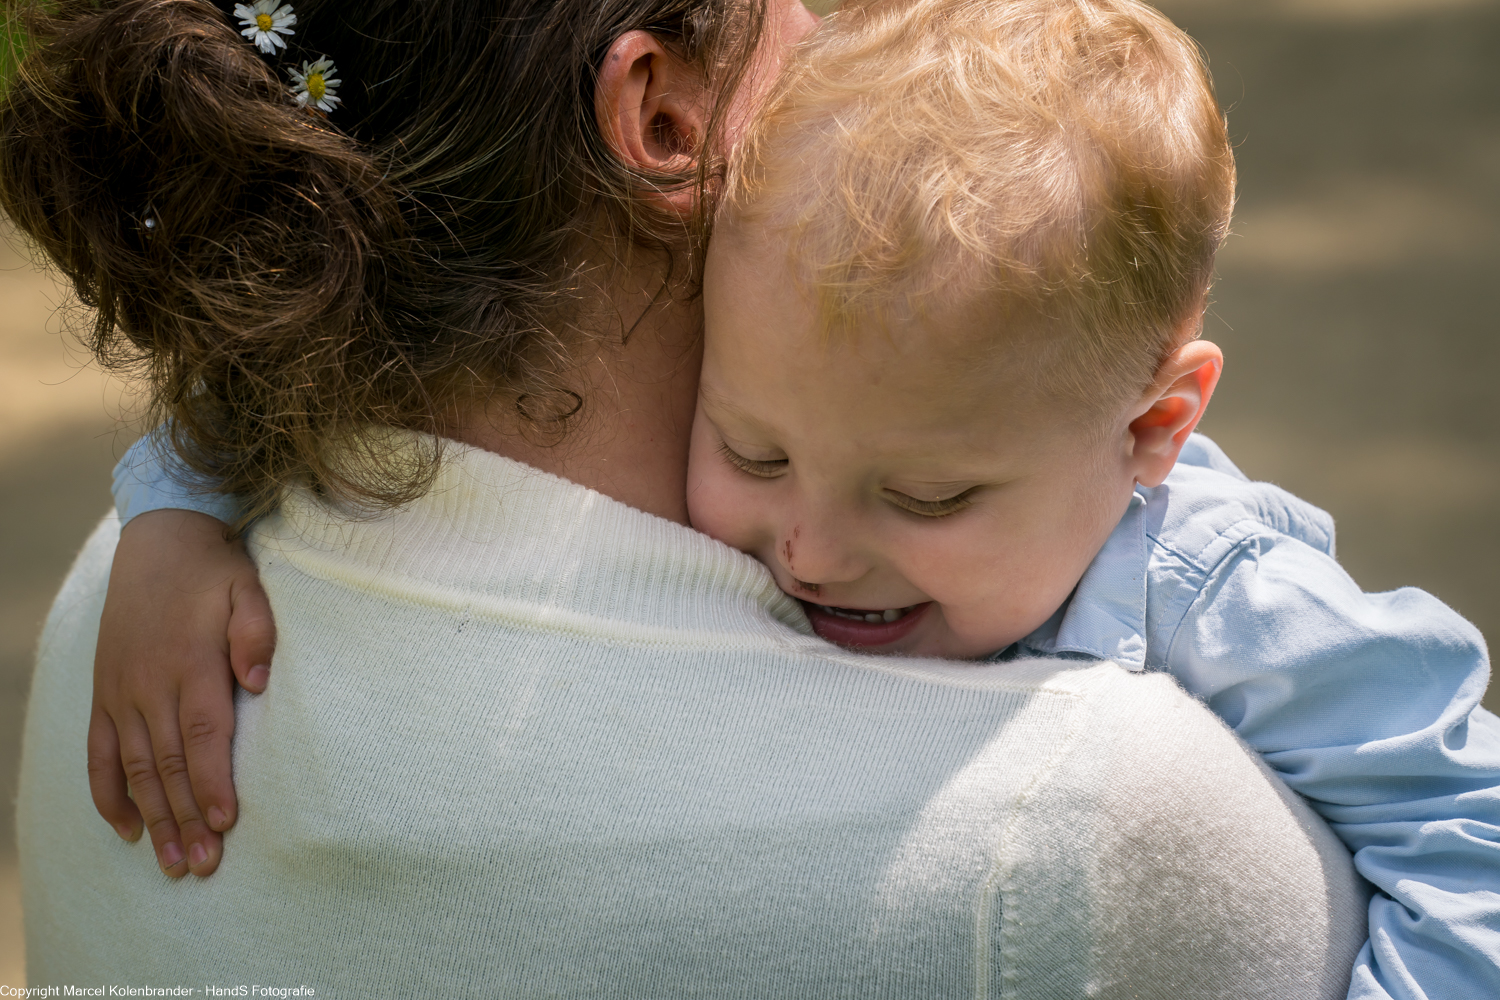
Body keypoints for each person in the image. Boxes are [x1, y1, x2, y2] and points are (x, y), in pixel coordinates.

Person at [9, 0, 1370, 994]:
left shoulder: (127, 620)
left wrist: (172, 496)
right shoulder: (1080, 829)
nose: (835, 36)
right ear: (665, 117)